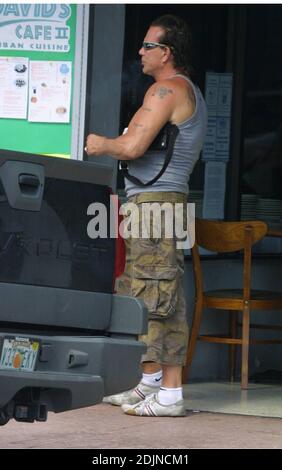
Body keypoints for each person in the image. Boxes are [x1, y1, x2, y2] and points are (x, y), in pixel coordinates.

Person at [85, 14, 207, 417]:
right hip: (153, 202)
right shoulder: (170, 90)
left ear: (166, 52)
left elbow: (133, 146)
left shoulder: (167, 90)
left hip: (157, 203)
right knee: (145, 289)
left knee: (156, 293)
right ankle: (150, 382)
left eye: (147, 45)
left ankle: (170, 394)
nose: (140, 52)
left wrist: (99, 143)